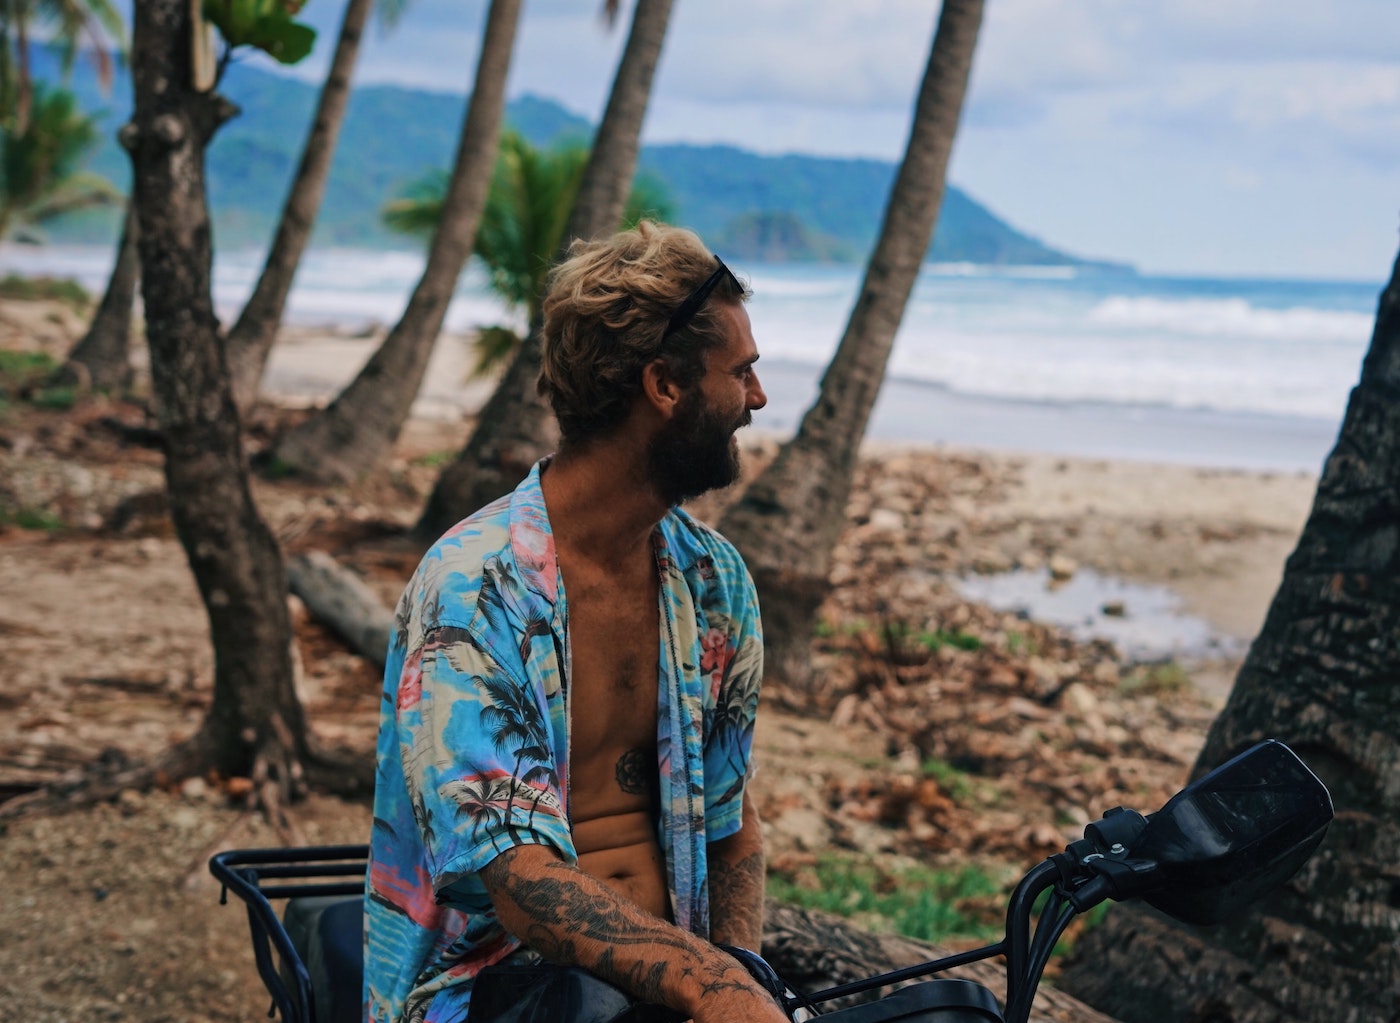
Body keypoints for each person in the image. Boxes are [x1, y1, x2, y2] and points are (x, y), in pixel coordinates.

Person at [363, 222, 787, 1023]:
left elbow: (732, 828)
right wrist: (710, 985)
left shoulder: (715, 584)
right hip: (494, 994)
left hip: (667, 991)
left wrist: (739, 971)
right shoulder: (474, 589)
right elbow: (517, 880)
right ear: (664, 385)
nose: (756, 400)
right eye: (743, 372)